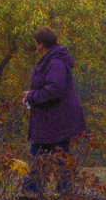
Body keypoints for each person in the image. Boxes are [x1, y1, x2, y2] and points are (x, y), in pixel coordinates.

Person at [23, 26, 86, 197]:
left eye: (36, 43)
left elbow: (54, 90)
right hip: (51, 121)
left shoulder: (56, 62)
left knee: (50, 157)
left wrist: (32, 95)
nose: (36, 47)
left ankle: (33, 193)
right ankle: (43, 192)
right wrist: (31, 97)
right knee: (54, 158)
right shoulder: (53, 60)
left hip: (55, 122)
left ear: (41, 44)